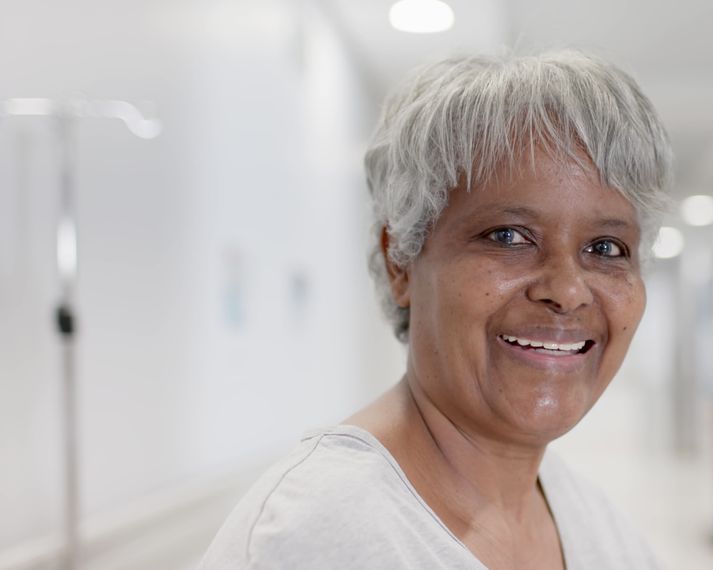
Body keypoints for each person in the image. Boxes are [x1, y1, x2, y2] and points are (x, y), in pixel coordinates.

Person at [200, 49, 672, 569]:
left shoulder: (586, 517)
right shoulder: (317, 538)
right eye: (509, 236)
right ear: (400, 258)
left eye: (606, 248)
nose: (568, 290)